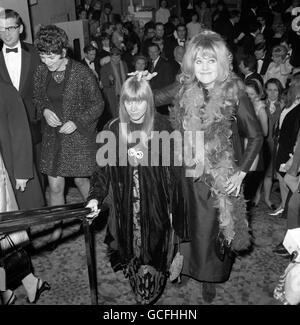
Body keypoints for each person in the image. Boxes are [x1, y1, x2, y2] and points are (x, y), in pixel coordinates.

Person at [165, 30, 263, 303]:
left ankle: (209, 276)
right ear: (190, 65)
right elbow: (157, 96)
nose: (205, 68)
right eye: (199, 61)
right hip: (189, 170)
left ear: (222, 63)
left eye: (211, 61)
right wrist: (139, 84)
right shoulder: (186, 88)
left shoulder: (235, 95)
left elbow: (256, 136)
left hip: (218, 176)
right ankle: (186, 267)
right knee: (186, 222)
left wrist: (242, 172)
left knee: (211, 228)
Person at [85, 74, 182, 305]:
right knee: (132, 253)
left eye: (140, 101)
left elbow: (175, 176)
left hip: (157, 207)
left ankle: (149, 294)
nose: (134, 107)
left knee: (155, 254)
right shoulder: (112, 128)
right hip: (125, 207)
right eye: (129, 101)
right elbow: (101, 172)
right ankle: (140, 292)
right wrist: (94, 198)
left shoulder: (164, 127)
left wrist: (175, 211)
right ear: (123, 102)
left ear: (149, 100)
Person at [33, 25, 104, 249]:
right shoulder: (41, 71)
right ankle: (57, 230)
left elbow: (98, 104)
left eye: (51, 55)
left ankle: (95, 220)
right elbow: (38, 97)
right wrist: (45, 110)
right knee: (54, 187)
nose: (46, 61)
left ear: (63, 51)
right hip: (53, 135)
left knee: (82, 180)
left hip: (77, 137)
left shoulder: (81, 72)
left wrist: (77, 122)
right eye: (43, 55)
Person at [0, 81, 50, 305]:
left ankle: (8, 289)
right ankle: (27, 282)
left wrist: (21, 171)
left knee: (6, 235)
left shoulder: (5, 90)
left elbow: (20, 130)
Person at [0, 9, 44, 209]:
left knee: (37, 178)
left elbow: (46, 87)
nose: (6, 33)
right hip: (7, 133)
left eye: (10, 28)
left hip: (36, 124)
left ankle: (37, 220)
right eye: (1, 29)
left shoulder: (35, 53)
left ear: (21, 28)